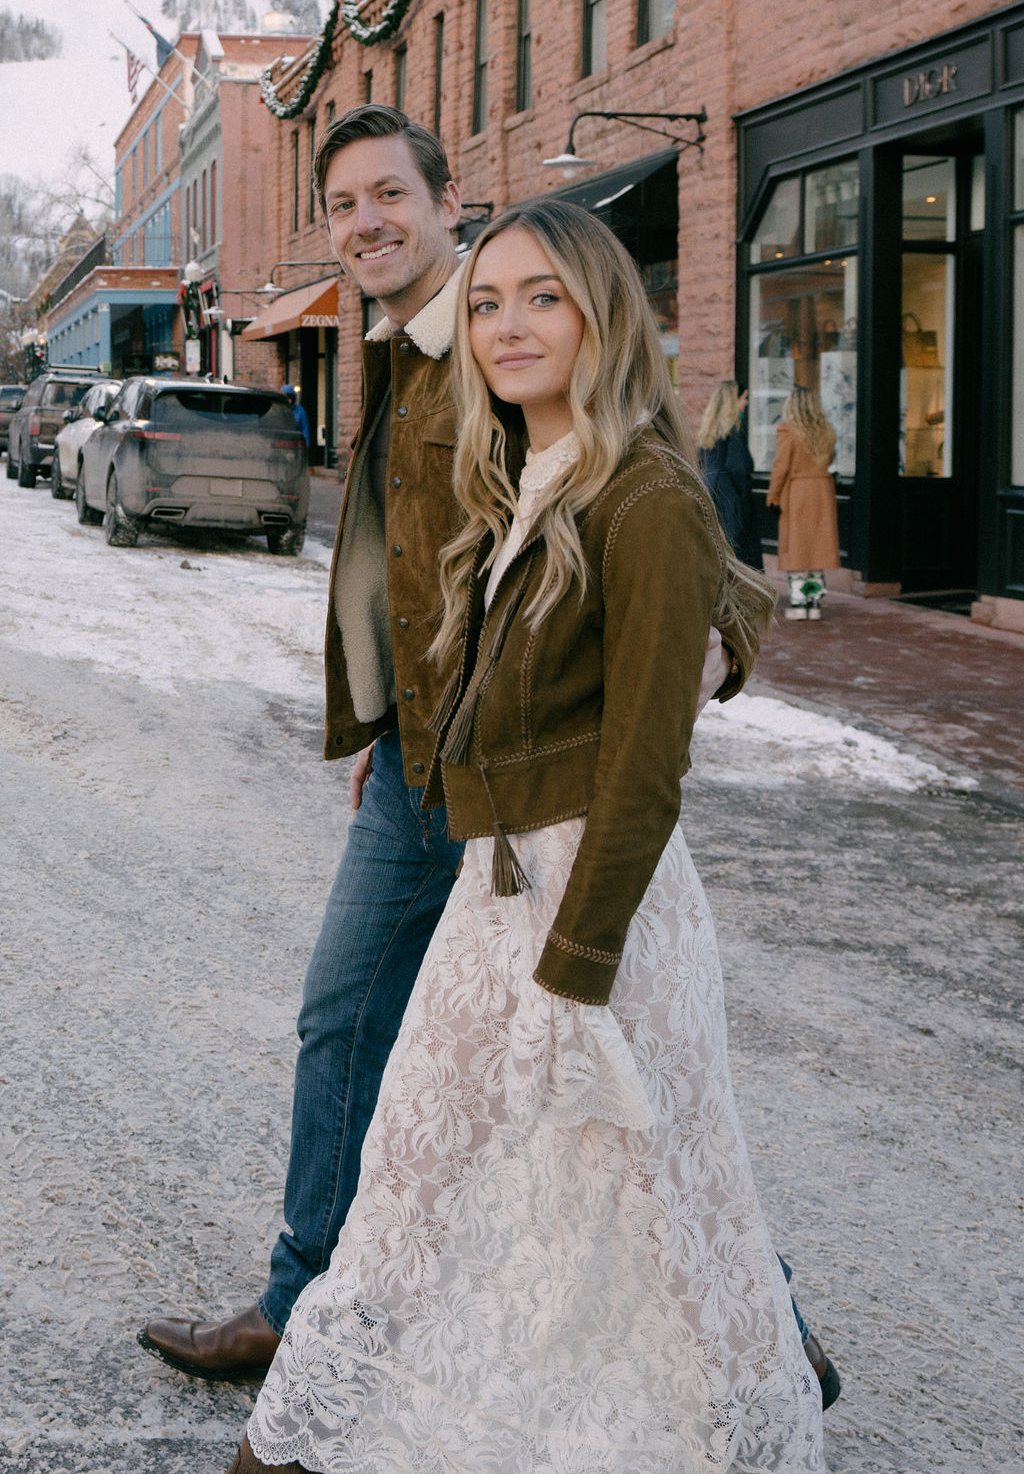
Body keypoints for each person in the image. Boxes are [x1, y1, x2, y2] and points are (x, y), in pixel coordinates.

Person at [139, 107, 837, 1410]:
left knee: (584, 1063)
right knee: (384, 1039)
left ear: (443, 200)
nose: (366, 223)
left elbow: (662, 513)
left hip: (531, 781)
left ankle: (763, 1319)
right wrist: (389, 712)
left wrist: (713, 641)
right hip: (423, 766)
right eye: (343, 203)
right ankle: (313, 1303)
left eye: (389, 194)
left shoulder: (511, 332)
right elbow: (418, 564)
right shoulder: (401, 348)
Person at [766, 386, 840, 619]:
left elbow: (781, 467)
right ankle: (814, 603)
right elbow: (829, 459)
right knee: (817, 549)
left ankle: (799, 604)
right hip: (821, 490)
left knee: (797, 548)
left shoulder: (788, 431)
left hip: (798, 492)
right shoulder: (827, 431)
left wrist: (773, 495)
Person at [697, 379, 763, 570]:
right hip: (731, 498)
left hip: (711, 492)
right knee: (736, 553)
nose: (746, 403)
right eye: (744, 398)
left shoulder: (708, 432)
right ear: (734, 402)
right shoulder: (733, 432)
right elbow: (739, 466)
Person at [280, 383, 310, 450]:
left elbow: (305, 429)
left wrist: (305, 445)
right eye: (286, 398)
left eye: (290, 397)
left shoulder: (300, 411)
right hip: (281, 444)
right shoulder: (279, 410)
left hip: (296, 445)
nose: (288, 400)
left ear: (293, 398)